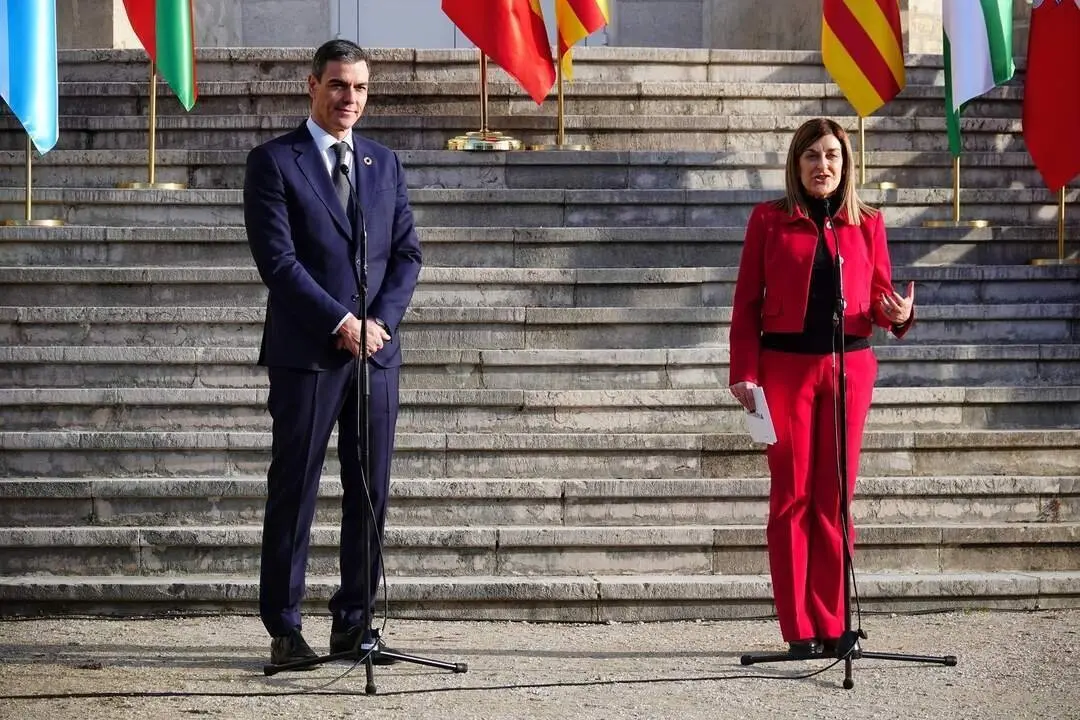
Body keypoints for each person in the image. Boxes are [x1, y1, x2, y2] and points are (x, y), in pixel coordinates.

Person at [244, 39, 422, 668]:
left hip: (375, 355)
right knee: (294, 487)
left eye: (361, 88)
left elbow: (407, 254)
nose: (351, 98)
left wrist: (379, 324)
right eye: (340, 85)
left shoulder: (383, 162)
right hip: (309, 354)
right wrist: (340, 321)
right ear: (313, 84)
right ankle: (284, 628)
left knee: (369, 489)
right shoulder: (274, 162)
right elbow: (278, 262)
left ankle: (355, 623)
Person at [728, 117, 914, 657]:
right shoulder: (769, 220)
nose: (822, 165)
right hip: (784, 370)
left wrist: (899, 314)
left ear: (846, 163)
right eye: (812, 155)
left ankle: (833, 624)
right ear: (797, 164)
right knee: (792, 496)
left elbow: (880, 296)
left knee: (835, 498)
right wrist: (744, 371)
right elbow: (747, 301)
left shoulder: (867, 222)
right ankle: (799, 628)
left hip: (849, 368)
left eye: (832, 155)